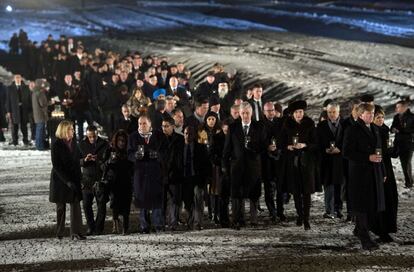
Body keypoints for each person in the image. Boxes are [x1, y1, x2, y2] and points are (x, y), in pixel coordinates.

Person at [343, 103, 386, 250]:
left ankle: (360, 230)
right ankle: (365, 239)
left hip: (374, 172)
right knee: (361, 206)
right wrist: (367, 157)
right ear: (360, 115)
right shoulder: (352, 129)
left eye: (373, 113)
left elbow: (379, 152)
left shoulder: (374, 128)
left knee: (370, 205)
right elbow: (347, 152)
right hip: (360, 175)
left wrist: (383, 171)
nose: (371, 116)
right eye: (368, 114)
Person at [222, 102, 267, 229]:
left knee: (254, 194)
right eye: (242, 113)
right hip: (237, 167)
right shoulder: (233, 127)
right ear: (239, 114)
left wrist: (253, 146)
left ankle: (253, 220)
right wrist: (225, 166)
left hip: (253, 167)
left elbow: (264, 147)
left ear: (251, 113)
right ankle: (237, 219)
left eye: (247, 113)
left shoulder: (259, 127)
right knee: (236, 194)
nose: (245, 115)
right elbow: (227, 149)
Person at [279, 100, 318, 230]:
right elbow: (281, 143)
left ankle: (306, 218)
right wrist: (287, 146)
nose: (299, 114)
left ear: (304, 112)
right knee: (296, 191)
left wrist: (305, 145)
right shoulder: (287, 124)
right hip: (292, 162)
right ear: (292, 114)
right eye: (296, 112)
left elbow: (316, 144)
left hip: (306, 162)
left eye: (300, 112)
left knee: (306, 192)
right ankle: (299, 215)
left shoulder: (310, 124)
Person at [128, 115, 167, 233]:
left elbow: (165, 151)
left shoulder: (159, 135)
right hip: (140, 172)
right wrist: (136, 156)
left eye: (144, 123)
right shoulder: (133, 137)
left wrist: (157, 155)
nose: (141, 126)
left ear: (150, 124)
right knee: (142, 198)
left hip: (155, 172)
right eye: (140, 124)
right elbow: (129, 153)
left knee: (156, 199)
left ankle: (158, 224)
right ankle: (144, 225)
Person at [49, 120, 85, 240]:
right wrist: (67, 181)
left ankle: (76, 232)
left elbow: (79, 157)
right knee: (61, 207)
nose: (73, 131)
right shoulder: (56, 144)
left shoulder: (74, 143)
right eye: (71, 129)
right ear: (64, 130)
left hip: (73, 178)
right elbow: (57, 166)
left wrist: (85, 159)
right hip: (60, 180)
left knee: (75, 205)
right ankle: (60, 232)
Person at [371, 106, 398, 243]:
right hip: (378, 167)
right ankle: (380, 229)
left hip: (387, 166)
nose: (381, 120)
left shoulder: (384, 130)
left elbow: (389, 152)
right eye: (378, 118)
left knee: (391, 197)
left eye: (382, 117)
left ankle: (388, 227)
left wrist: (393, 148)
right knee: (382, 198)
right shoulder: (372, 131)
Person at [78, 125, 109, 235]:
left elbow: (108, 160)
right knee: (86, 204)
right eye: (89, 136)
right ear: (87, 135)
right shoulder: (81, 144)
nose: (92, 139)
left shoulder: (105, 144)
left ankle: (99, 228)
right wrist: (84, 160)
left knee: (101, 204)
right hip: (87, 179)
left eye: (94, 136)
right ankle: (91, 226)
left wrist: (99, 159)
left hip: (100, 178)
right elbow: (77, 161)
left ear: (97, 134)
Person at [317, 102, 345, 219]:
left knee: (340, 185)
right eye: (329, 112)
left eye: (334, 112)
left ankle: (338, 209)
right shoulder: (321, 125)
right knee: (328, 186)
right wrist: (325, 150)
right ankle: (329, 210)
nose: (332, 114)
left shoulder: (345, 124)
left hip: (340, 160)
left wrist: (340, 149)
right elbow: (317, 142)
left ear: (339, 112)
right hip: (327, 161)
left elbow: (349, 141)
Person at [103, 130, 133, 235]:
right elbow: (103, 165)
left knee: (126, 205)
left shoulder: (129, 151)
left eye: (123, 141)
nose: (121, 143)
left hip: (126, 181)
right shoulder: (111, 150)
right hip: (114, 181)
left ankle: (125, 227)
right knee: (115, 204)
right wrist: (109, 162)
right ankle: (115, 225)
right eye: (119, 140)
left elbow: (133, 166)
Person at [161, 116, 185, 230]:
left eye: (166, 126)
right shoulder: (159, 139)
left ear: (172, 126)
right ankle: (162, 222)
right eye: (163, 126)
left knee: (175, 199)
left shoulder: (180, 139)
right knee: (163, 199)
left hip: (175, 174)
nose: (164, 129)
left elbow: (180, 158)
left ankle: (173, 222)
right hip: (162, 173)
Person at [390, 100, 414, 188]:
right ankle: (409, 181)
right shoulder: (396, 117)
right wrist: (393, 129)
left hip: (408, 143)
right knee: (403, 162)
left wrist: (402, 130)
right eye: (396, 107)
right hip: (398, 143)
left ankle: (409, 183)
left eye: (398, 107)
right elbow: (392, 127)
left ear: (405, 107)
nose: (396, 109)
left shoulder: (412, 117)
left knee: (406, 163)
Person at [6, 74, 32, 146]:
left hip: (24, 110)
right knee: (14, 127)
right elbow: (8, 100)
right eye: (16, 77)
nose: (17, 79)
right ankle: (15, 141)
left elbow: (29, 99)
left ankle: (25, 141)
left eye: (19, 77)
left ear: (21, 78)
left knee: (24, 126)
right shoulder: (10, 88)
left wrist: (30, 109)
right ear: (14, 79)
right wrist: (8, 111)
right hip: (14, 110)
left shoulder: (26, 87)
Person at [31, 79, 50, 150]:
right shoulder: (40, 92)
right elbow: (43, 103)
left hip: (37, 114)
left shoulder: (34, 92)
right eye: (42, 84)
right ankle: (40, 146)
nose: (43, 85)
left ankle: (39, 145)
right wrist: (50, 102)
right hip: (41, 114)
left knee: (39, 130)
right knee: (40, 131)